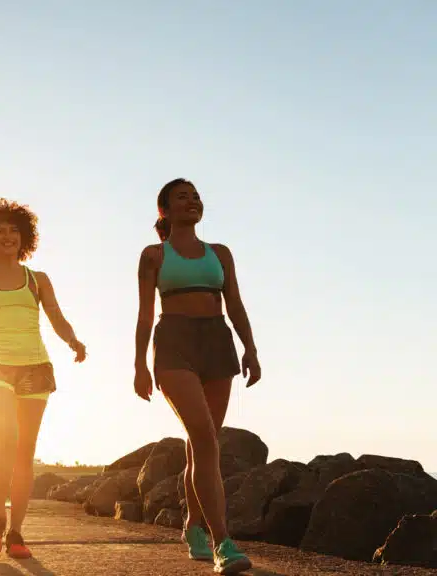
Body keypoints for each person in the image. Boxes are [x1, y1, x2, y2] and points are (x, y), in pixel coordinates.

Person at [133, 178, 261, 575]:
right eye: (182, 197)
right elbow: (143, 314)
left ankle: (192, 527)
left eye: (196, 196)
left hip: (217, 343)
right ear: (165, 211)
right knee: (206, 440)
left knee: (201, 445)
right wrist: (139, 364)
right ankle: (223, 542)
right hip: (173, 343)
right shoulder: (154, 255)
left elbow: (235, 303)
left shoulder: (220, 254)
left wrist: (251, 349)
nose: (192, 201)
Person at [0, 198, 86, 560]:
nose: (7, 236)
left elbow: (56, 318)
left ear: (24, 237)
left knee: (25, 450)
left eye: (14, 230)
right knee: (6, 435)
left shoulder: (37, 280)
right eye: (0, 231)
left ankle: (16, 532)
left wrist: (72, 339)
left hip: (35, 368)